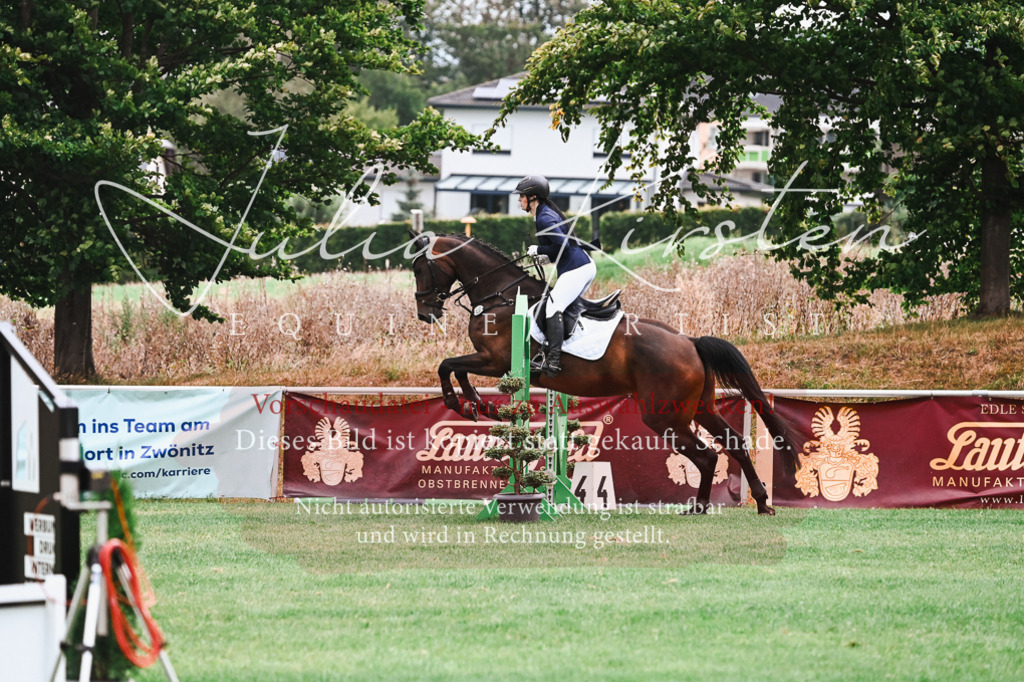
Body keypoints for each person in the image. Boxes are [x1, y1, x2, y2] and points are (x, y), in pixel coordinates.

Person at [513, 175, 598, 376]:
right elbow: (559, 248)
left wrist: (538, 249)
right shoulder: (545, 213)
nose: (519, 200)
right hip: (580, 265)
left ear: (533, 197)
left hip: (577, 268)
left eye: (522, 196)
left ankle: (553, 362)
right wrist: (545, 257)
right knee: (564, 307)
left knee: (553, 307)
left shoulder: (544, 217)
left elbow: (561, 245)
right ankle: (567, 350)